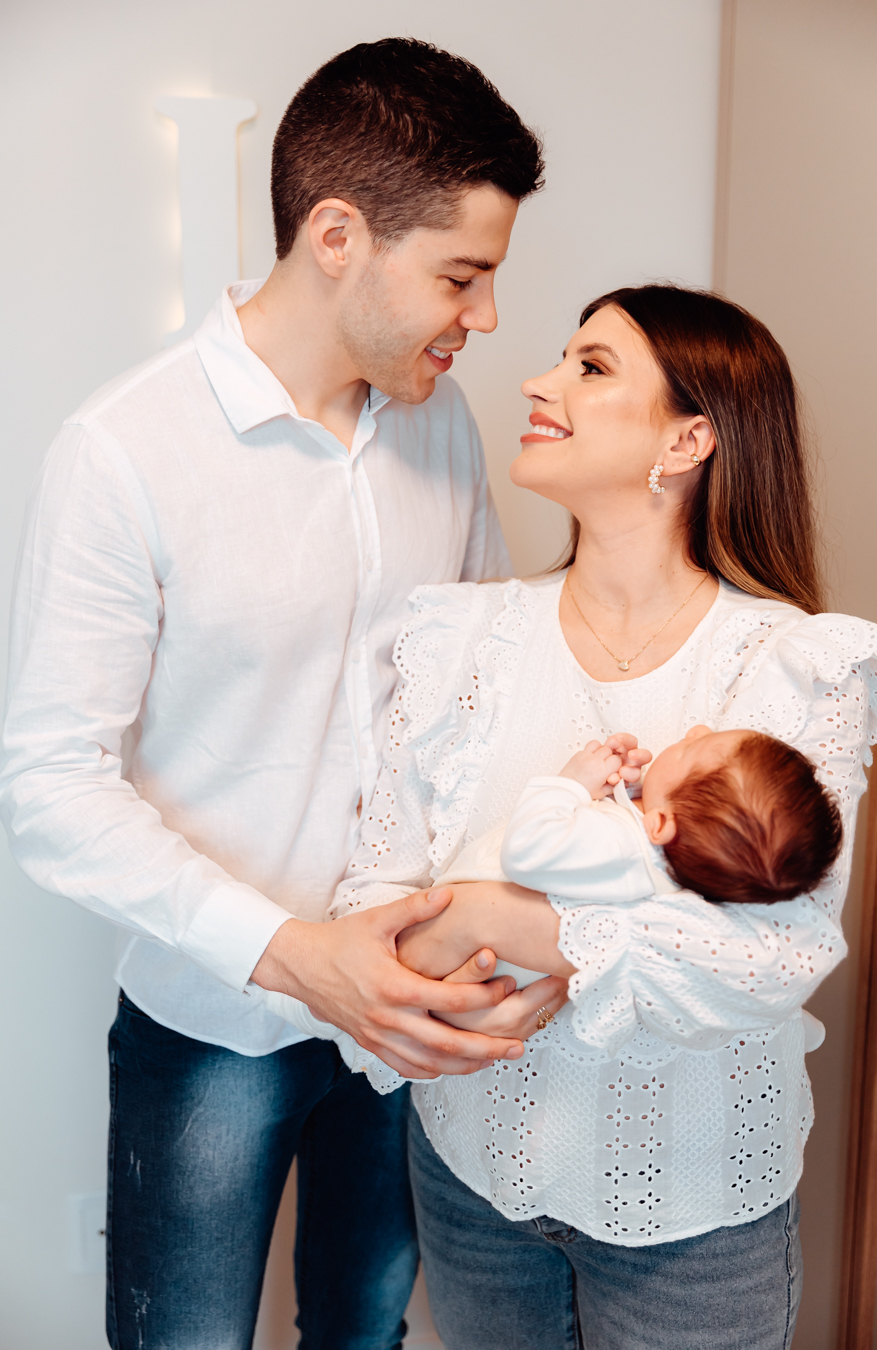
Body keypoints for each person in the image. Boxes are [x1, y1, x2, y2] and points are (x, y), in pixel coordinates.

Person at [0, 38, 544, 1350]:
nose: (483, 319)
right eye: (461, 275)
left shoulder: (442, 424)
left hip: (409, 1012)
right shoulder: (123, 453)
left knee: (364, 1328)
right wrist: (297, 955)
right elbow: (50, 789)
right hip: (211, 1024)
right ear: (338, 235)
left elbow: (487, 686)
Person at [328, 284, 877, 1348]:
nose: (539, 383)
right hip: (470, 1182)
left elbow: (767, 962)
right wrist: (441, 961)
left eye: (591, 367)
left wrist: (484, 919)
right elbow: (375, 899)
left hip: (697, 1220)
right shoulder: (456, 639)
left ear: (689, 439)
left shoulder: (798, 667)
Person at [390, 724, 844, 993]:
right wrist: (628, 792)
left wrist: (574, 783)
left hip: (442, 949)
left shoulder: (621, 848)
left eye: (690, 750)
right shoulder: (649, 859)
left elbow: (527, 850)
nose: (696, 730)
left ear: (660, 825)